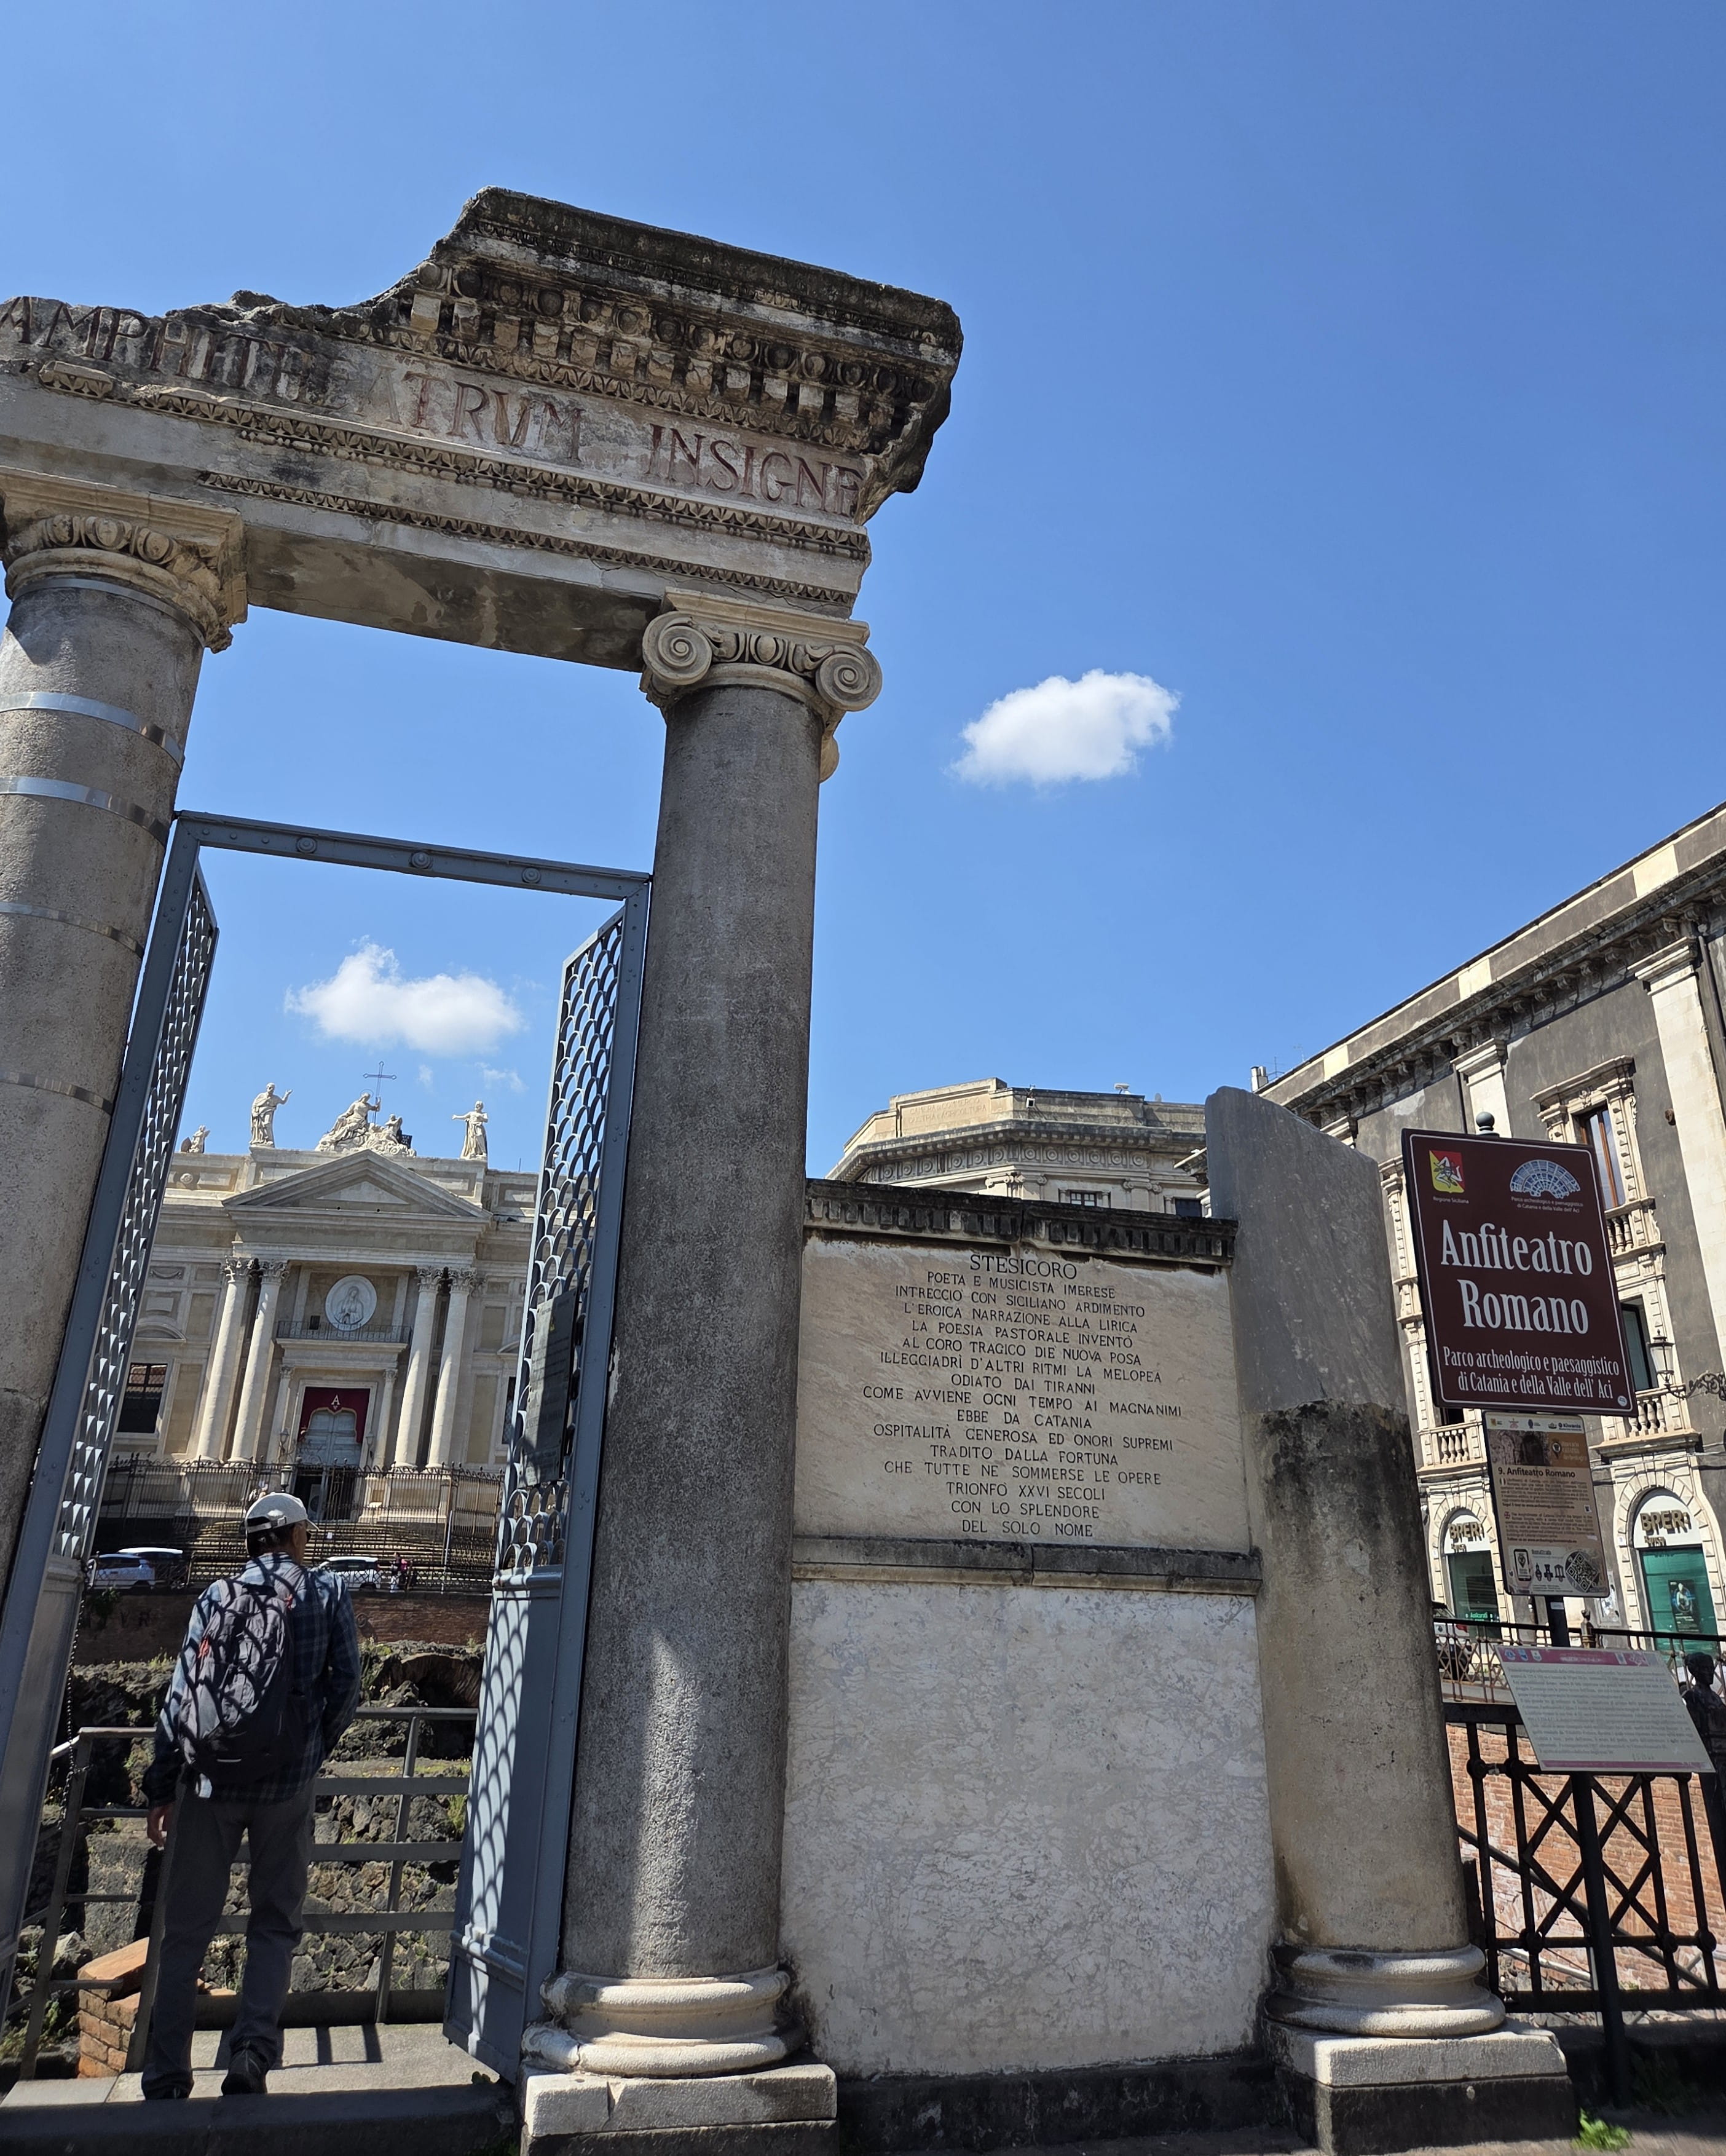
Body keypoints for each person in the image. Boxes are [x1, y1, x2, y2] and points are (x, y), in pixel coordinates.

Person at [140, 1491, 361, 2100]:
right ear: (294, 1537)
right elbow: (349, 1685)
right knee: (274, 1922)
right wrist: (314, 1746)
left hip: (209, 1785)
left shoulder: (215, 1596)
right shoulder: (325, 1594)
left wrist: (162, 1784)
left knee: (184, 1931)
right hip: (287, 1787)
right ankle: (251, 2056)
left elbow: (181, 1696)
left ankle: (165, 2073)